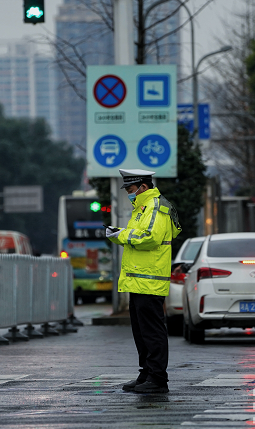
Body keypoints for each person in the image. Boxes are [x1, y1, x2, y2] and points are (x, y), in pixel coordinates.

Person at [106, 168, 181, 394]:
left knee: (152, 332)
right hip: (139, 281)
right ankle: (146, 373)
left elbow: (150, 237)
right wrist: (122, 233)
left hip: (149, 281)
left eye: (131, 190)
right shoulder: (143, 207)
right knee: (141, 333)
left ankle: (158, 378)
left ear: (143, 187)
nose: (130, 195)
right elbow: (140, 235)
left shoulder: (156, 207)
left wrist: (119, 235)